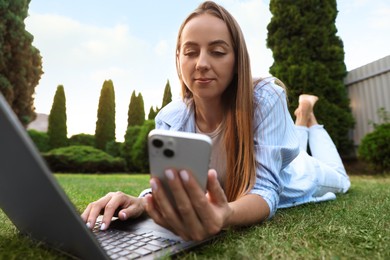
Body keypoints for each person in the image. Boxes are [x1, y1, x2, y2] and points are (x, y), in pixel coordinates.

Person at [81, 1, 350, 241]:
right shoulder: (170, 118)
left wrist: (224, 215)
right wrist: (143, 202)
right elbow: (177, 189)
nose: (201, 63)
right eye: (190, 52)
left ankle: (307, 117)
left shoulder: (266, 97)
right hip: (283, 151)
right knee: (297, 144)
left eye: (218, 52)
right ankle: (301, 121)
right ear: (178, 58)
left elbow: (266, 190)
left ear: (237, 59)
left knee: (340, 178)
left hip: (300, 174)